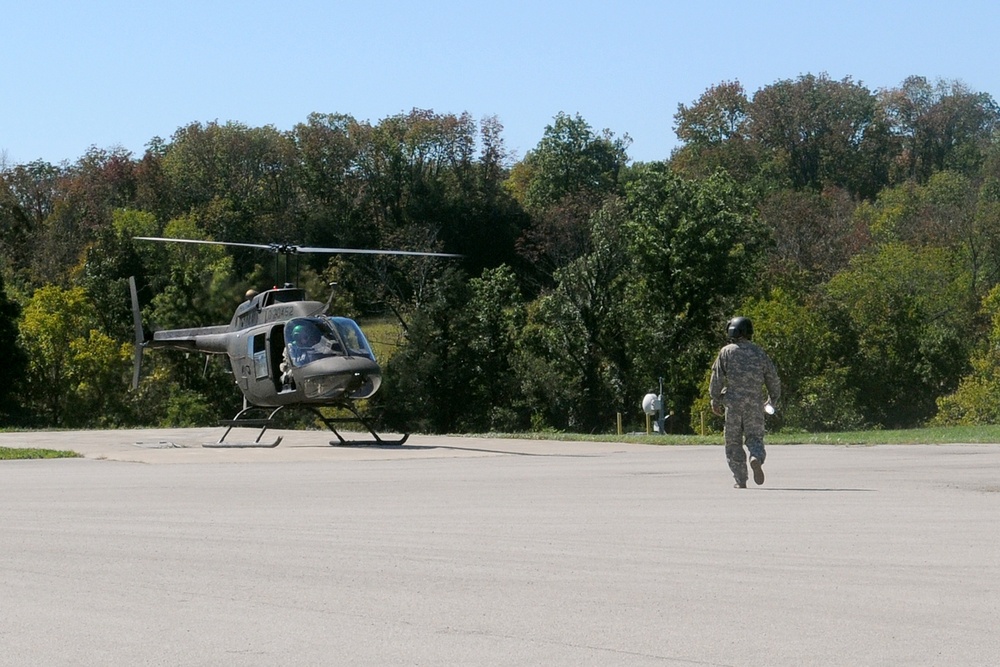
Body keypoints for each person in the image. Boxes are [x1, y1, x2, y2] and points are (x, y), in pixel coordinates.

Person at [709, 316, 781, 488]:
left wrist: (715, 399)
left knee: (733, 442)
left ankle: (740, 479)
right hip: (755, 404)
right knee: (755, 437)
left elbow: (717, 378)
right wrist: (773, 399)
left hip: (733, 405)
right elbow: (773, 378)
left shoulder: (726, 352)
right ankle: (755, 457)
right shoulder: (759, 353)